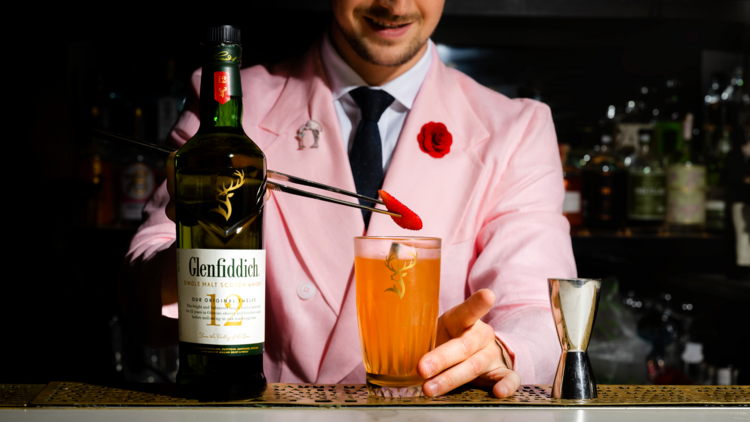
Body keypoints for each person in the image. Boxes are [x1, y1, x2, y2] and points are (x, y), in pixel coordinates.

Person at [119, 0, 576, 398]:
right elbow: (142, 311)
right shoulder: (235, 104)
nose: (395, 5)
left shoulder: (515, 129)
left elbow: (538, 312)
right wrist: (199, 244)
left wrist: (498, 350)